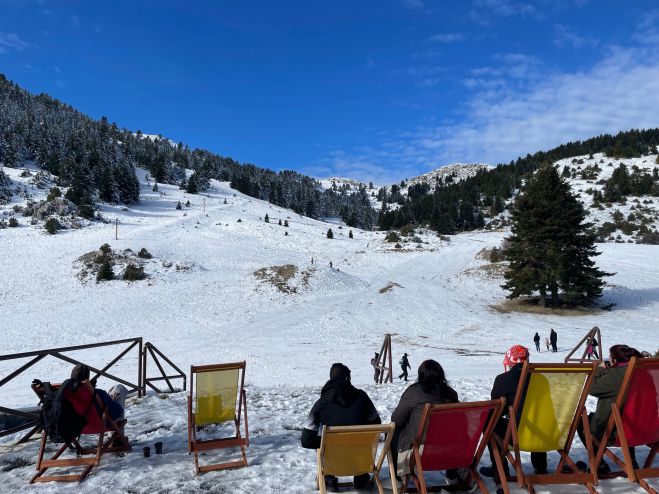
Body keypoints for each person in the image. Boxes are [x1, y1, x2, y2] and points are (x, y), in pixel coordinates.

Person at [301, 363, 381, 490]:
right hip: (360, 459)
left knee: (325, 439)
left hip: (332, 461)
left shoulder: (321, 403)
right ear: (347, 379)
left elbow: (306, 440)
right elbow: (376, 425)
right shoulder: (362, 397)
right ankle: (360, 477)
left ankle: (329, 478)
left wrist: (325, 442)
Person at [480, 345, 547, 491]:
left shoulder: (503, 380)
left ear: (509, 362)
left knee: (489, 422)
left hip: (516, 435)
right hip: (543, 434)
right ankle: (540, 466)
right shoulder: (541, 379)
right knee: (537, 417)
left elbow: (496, 406)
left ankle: (500, 469)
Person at [391, 360, 461, 482]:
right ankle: (452, 476)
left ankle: (398, 479)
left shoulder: (413, 392)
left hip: (421, 451)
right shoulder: (450, 394)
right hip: (449, 450)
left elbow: (397, 419)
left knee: (391, 432)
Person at [576, 344, 643, 473]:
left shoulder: (616, 376)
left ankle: (599, 463)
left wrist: (600, 369)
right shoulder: (643, 373)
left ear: (615, 360)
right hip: (641, 429)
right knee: (629, 413)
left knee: (581, 422)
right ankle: (632, 461)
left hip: (611, 432)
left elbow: (591, 388)